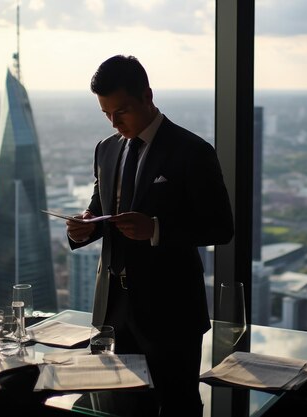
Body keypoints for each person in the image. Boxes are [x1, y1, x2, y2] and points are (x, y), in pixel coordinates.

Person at [66, 54, 234, 416]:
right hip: (116, 309)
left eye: (121, 111)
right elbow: (100, 207)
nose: (114, 122)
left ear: (147, 96)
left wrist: (155, 229)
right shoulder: (106, 149)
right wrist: (84, 227)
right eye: (106, 114)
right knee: (122, 406)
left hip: (172, 310)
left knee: (179, 405)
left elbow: (222, 227)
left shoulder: (192, 151)